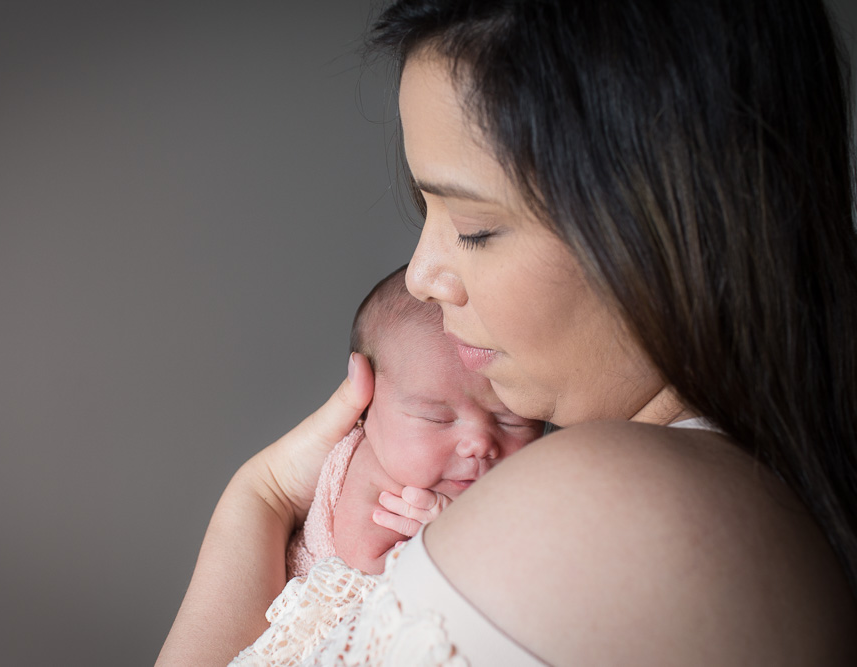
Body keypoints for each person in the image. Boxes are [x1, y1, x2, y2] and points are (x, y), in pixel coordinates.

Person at [157, 0, 857, 664]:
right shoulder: (735, 495)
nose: (424, 273)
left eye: (474, 228)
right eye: (424, 210)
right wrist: (266, 494)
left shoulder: (606, 502)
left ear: (671, 218)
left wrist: (263, 494)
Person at [286, 265, 544, 577]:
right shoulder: (376, 480)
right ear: (366, 410)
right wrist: (453, 538)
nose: (480, 443)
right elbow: (368, 575)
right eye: (438, 418)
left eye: (510, 420)